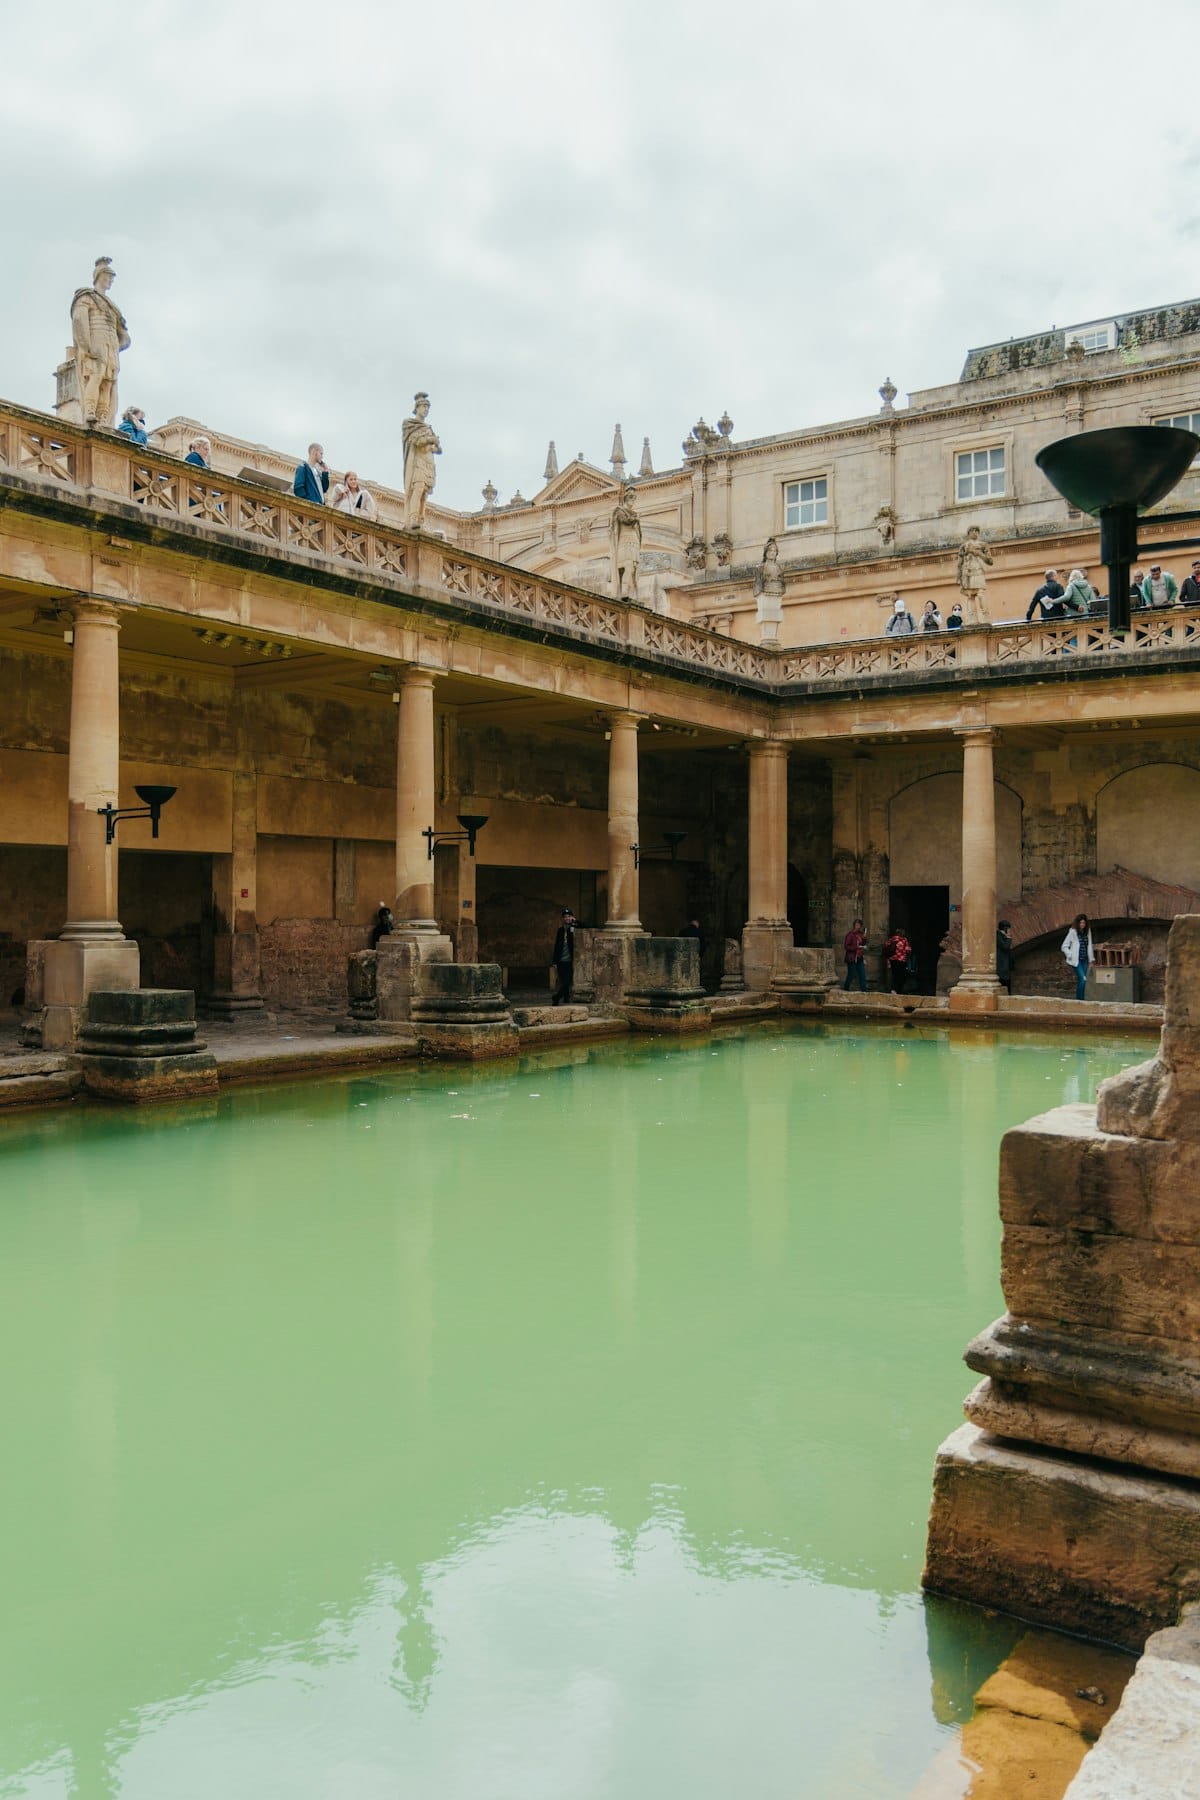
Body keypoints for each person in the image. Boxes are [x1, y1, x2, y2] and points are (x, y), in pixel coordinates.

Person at [1062, 913, 1095, 1002]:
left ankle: (1080, 999)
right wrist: (1070, 955)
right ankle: (1080, 1001)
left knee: (1084, 980)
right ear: (1077, 923)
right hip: (1076, 960)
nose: (1082, 925)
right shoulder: (1073, 932)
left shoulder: (1087, 932)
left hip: (1085, 960)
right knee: (1083, 979)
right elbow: (1064, 946)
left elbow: (1089, 946)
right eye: (1080, 923)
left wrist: (1091, 960)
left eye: (1084, 923)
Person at [552, 907, 576, 1004]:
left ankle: (557, 997)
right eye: (565, 917)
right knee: (563, 982)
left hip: (570, 960)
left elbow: (585, 925)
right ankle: (566, 999)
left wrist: (575, 922)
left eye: (568, 916)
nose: (567, 918)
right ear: (563, 919)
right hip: (560, 960)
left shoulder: (574, 927)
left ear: (571, 917)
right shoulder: (560, 930)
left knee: (567, 981)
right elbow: (556, 946)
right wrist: (554, 961)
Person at [884, 925, 913, 993]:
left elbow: (886, 945)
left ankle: (894, 989)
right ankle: (897, 990)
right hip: (901, 960)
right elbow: (908, 950)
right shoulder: (904, 940)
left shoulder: (893, 938)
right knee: (901, 976)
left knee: (895, 975)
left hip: (893, 960)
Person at [843, 918, 867, 991]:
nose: (858, 926)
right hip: (852, 958)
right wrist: (855, 947)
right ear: (854, 925)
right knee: (851, 975)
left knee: (862, 975)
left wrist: (864, 939)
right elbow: (846, 946)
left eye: (859, 925)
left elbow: (863, 944)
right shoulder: (850, 934)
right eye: (856, 924)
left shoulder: (861, 934)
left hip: (859, 957)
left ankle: (864, 992)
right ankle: (845, 989)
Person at [996, 919, 1013, 994]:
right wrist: (1008, 937)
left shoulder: (1002, 936)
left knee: (1007, 987)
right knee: (1004, 986)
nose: (1010, 930)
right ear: (1006, 929)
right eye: (1009, 929)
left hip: (1004, 967)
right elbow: (1005, 947)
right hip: (1001, 967)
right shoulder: (998, 935)